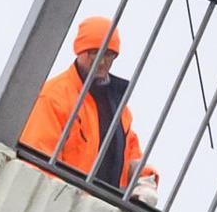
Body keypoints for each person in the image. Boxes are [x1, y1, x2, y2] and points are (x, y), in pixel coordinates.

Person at [18, 15, 144, 192]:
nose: (101, 61)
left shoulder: (119, 109)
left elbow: (132, 155)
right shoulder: (54, 96)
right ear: (80, 51)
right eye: (94, 53)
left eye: (108, 54)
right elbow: (37, 161)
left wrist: (145, 182)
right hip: (60, 206)